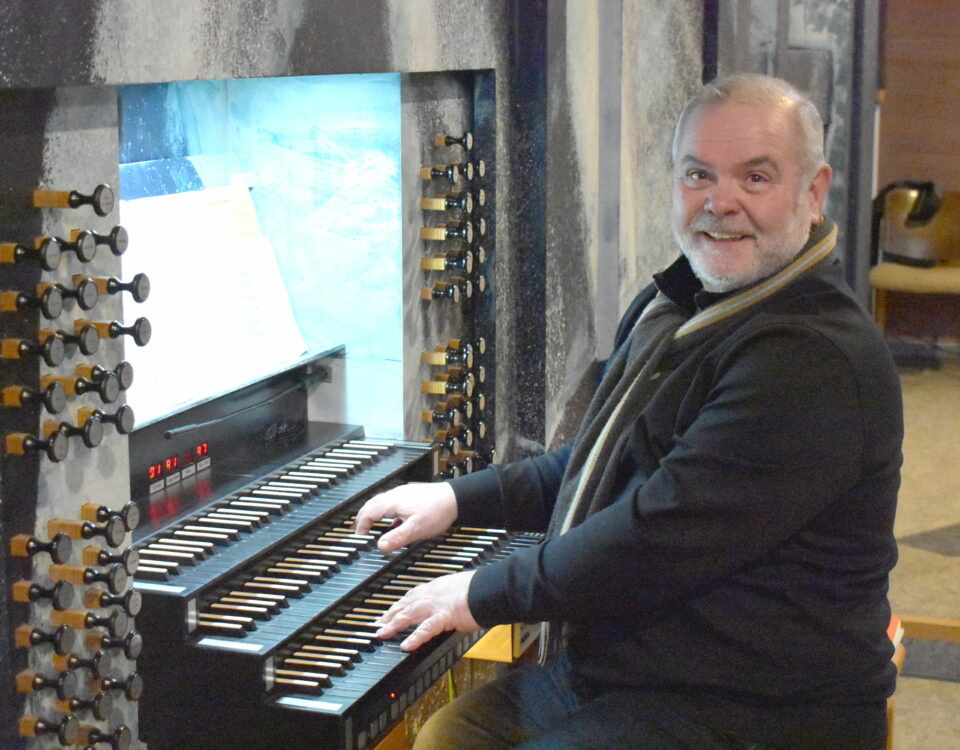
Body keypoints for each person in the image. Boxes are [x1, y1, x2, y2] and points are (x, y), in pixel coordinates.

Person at [355, 73, 903, 750]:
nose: (721, 201)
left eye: (755, 178)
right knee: (450, 736)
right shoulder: (679, 305)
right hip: (636, 669)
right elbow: (604, 462)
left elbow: (656, 536)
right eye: (699, 174)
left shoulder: (810, 358)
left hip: (759, 705)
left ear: (813, 193)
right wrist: (456, 498)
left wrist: (481, 594)